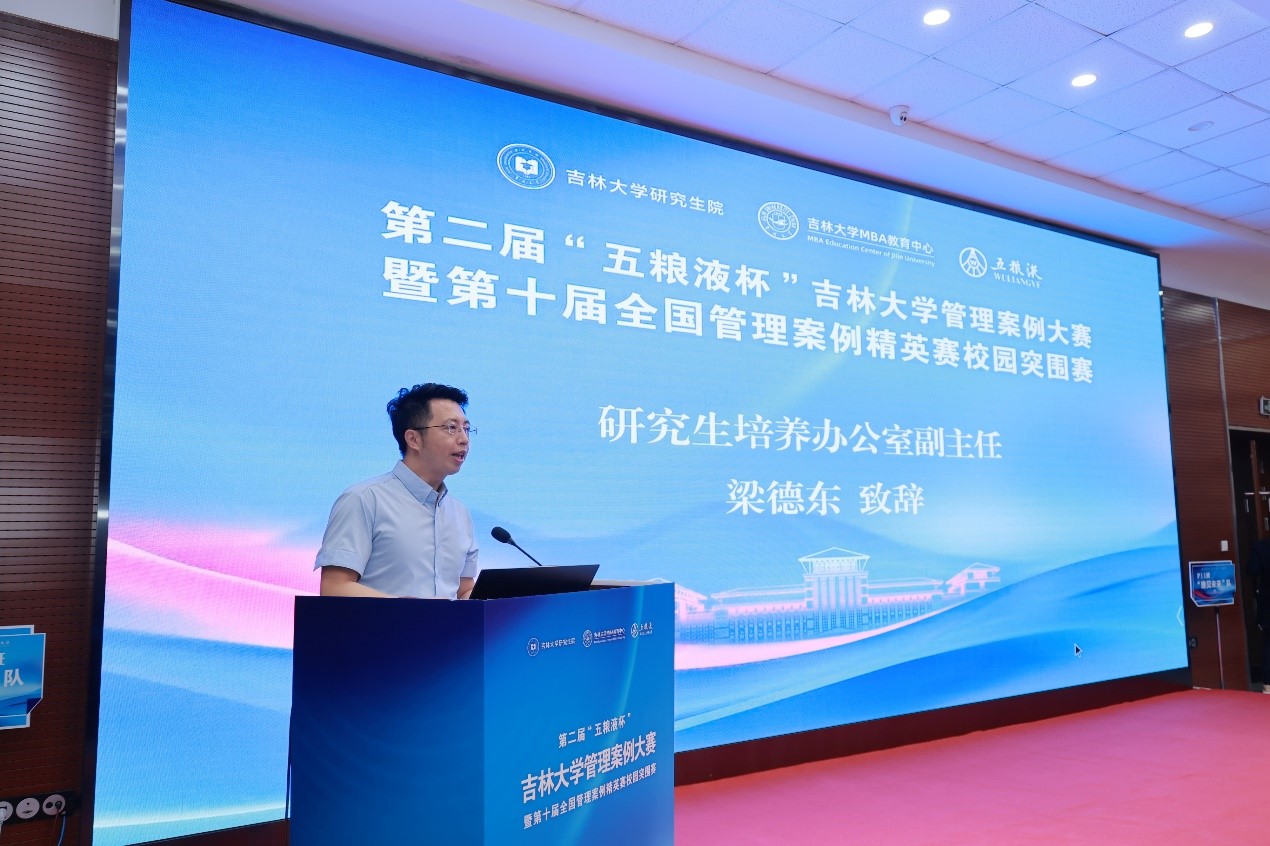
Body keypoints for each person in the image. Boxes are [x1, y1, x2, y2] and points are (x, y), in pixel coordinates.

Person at [315, 383, 478, 599]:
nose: (464, 439)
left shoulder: (460, 513)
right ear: (413, 439)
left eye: (466, 429)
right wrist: (403, 609)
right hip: (385, 623)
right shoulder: (363, 500)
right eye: (451, 428)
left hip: (448, 625)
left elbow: (463, 590)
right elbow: (334, 588)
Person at [1251, 537, 1270, 689]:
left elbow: (1252, 569)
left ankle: (1268, 686)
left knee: (1268, 644)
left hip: (1268, 603)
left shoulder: (1261, 547)